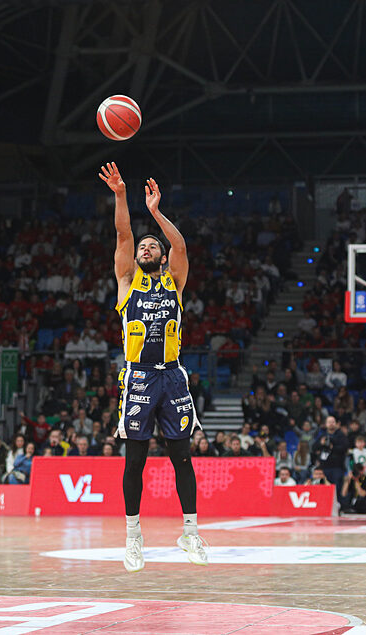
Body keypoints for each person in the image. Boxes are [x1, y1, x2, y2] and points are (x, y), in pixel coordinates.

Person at [101, 162, 207, 573]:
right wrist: (121, 196)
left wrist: (157, 214)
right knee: (135, 461)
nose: (145, 248)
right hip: (139, 377)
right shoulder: (127, 282)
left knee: (183, 458)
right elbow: (123, 235)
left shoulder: (174, 282)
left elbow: (181, 246)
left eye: (151, 246)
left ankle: (190, 532)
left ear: (162, 257)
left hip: (173, 375)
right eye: (143, 246)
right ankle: (133, 538)